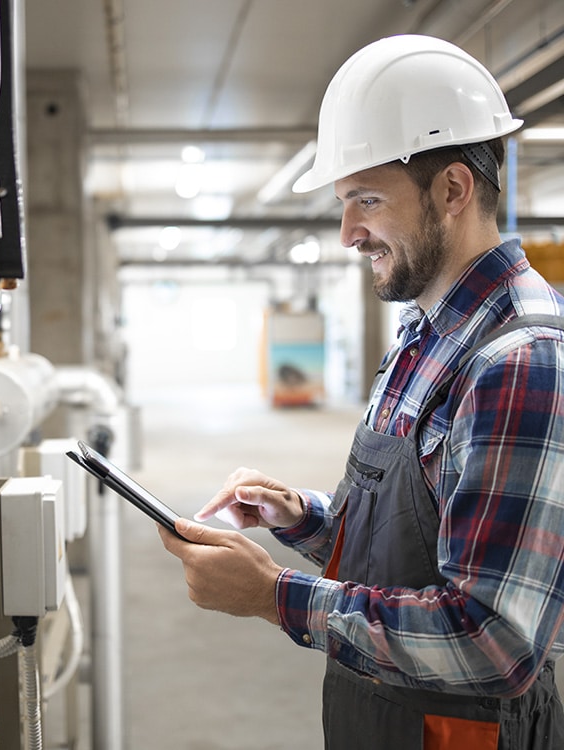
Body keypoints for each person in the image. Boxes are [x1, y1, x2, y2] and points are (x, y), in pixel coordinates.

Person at [158, 34, 564, 750]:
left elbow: (493, 642)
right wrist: (300, 517)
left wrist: (272, 595)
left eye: (366, 200)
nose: (349, 233)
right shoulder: (424, 333)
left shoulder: (519, 360)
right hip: (384, 719)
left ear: (452, 190)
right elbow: (413, 547)